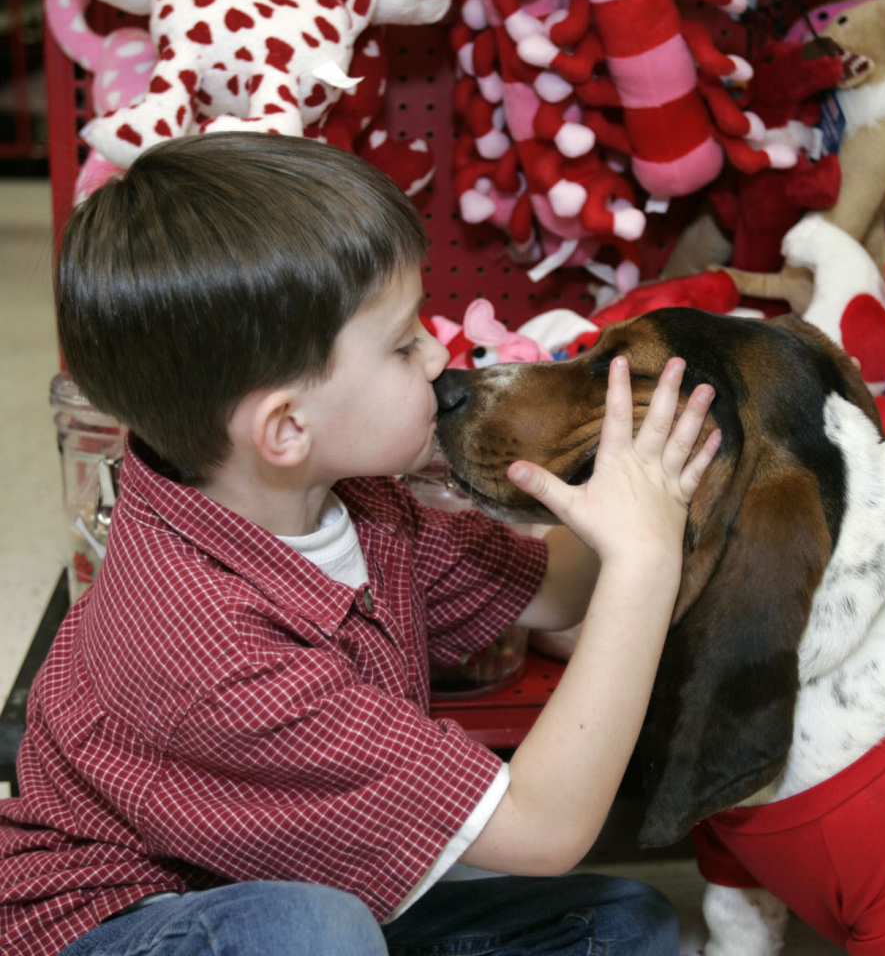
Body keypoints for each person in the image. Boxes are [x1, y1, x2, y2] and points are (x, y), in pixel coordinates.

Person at [0, 132, 720, 956]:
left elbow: (555, 589)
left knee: (621, 922)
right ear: (287, 427)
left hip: (292, 884)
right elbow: (545, 829)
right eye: (403, 343)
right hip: (121, 922)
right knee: (311, 933)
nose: (439, 355)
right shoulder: (208, 649)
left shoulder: (360, 505)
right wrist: (645, 560)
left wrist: (652, 492)